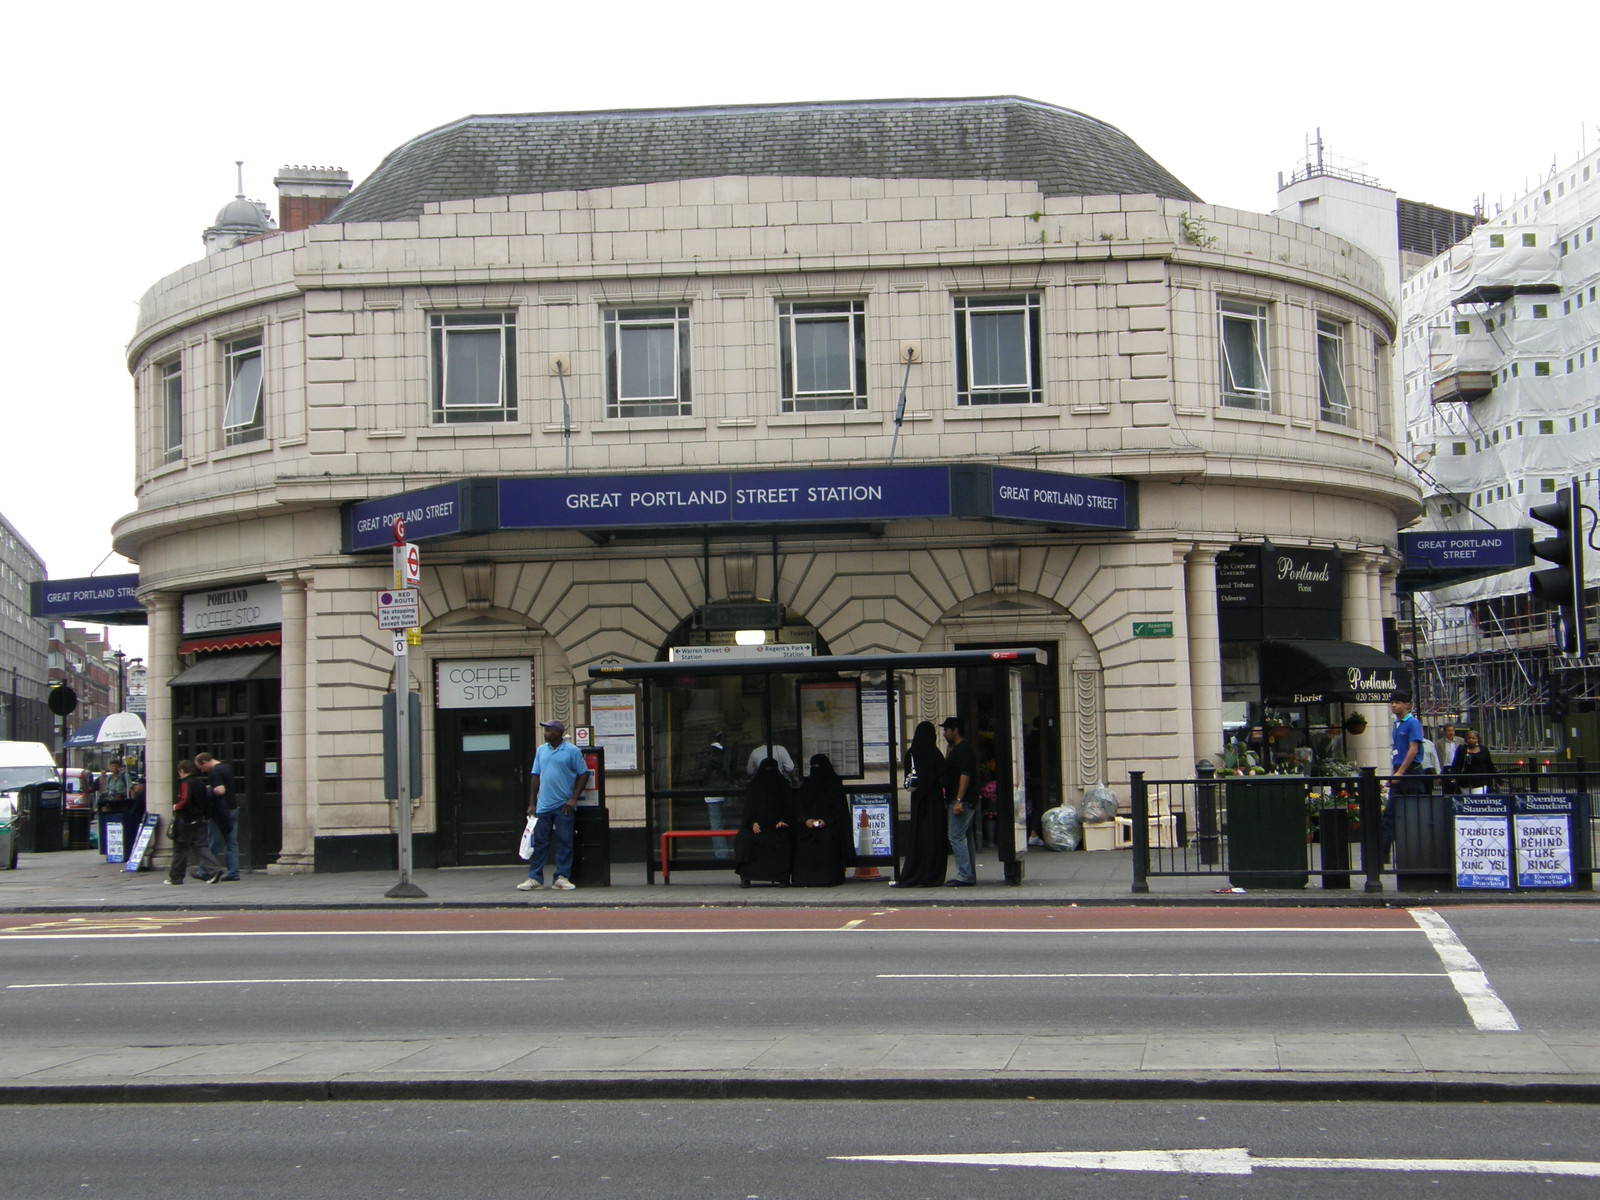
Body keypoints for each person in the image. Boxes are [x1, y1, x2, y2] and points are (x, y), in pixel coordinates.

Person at [517, 719, 590, 892]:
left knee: (565, 841)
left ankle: (561, 877)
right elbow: (535, 776)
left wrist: (573, 798)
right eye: (545, 730)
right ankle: (535, 877)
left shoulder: (572, 751)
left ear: (558, 732)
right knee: (540, 842)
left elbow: (583, 773)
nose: (545, 733)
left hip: (563, 804)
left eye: (549, 730)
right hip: (543, 805)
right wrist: (531, 803)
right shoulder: (541, 751)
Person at [892, 721, 947, 888]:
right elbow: (943, 778)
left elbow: (909, 777)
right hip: (934, 802)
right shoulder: (935, 754)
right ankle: (932, 875)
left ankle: (915, 874)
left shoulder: (912, 753)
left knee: (918, 837)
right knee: (933, 838)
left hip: (918, 801)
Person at [791, 754, 852, 887]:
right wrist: (806, 820)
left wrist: (826, 821)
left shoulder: (834, 785)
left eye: (818, 767)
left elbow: (839, 811)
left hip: (829, 826)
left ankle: (827, 878)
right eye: (813, 767)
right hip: (808, 826)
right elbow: (799, 807)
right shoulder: (806, 786)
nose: (816, 770)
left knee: (826, 841)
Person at [734, 758, 793, 887]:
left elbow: (789, 806)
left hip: (777, 827)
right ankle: (747, 876)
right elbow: (748, 811)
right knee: (744, 839)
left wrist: (784, 820)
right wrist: (752, 823)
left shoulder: (783, 785)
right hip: (757, 827)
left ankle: (782, 877)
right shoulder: (754, 787)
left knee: (784, 839)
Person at [165, 760, 224, 885]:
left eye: (179, 772)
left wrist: (176, 807)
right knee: (201, 846)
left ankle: (176, 877)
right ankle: (215, 869)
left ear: (182, 770)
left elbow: (185, 800)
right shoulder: (200, 783)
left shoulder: (186, 783)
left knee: (180, 848)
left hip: (187, 820)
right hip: (201, 818)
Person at [1383, 690, 1426, 862]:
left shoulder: (1412, 723)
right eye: (1392, 702)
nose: (1394, 705)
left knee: (1414, 812)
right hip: (1400, 770)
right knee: (1390, 813)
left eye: (1398, 702)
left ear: (1406, 705)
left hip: (1411, 772)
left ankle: (1419, 851)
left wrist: (1400, 772)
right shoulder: (1397, 725)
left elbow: (1413, 748)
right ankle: (1383, 852)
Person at [941, 716, 979, 887]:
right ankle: (969, 873)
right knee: (965, 835)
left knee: (955, 836)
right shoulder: (957, 749)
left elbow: (965, 775)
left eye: (946, 730)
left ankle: (964, 875)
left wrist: (958, 800)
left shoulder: (963, 750)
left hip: (962, 800)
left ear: (955, 731)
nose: (944, 734)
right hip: (965, 799)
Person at [195, 752, 239, 881]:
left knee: (213, 840)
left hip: (220, 811)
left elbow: (220, 790)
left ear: (205, 762)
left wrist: (208, 790)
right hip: (233, 807)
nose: (202, 771)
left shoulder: (214, 772)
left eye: (201, 768)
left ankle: (204, 871)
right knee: (231, 842)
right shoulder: (226, 767)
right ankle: (233, 872)